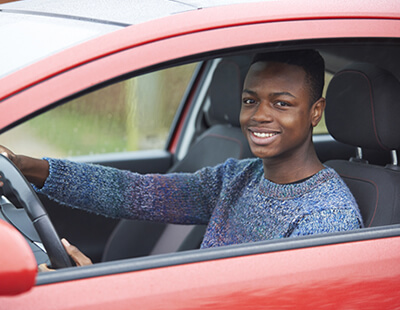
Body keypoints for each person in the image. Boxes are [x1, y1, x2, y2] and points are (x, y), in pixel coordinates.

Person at [0, 49, 363, 268]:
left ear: (316, 112)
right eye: (250, 100)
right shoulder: (238, 178)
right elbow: (135, 193)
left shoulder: (327, 218)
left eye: (282, 104)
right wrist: (27, 167)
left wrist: (98, 293)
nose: (259, 116)